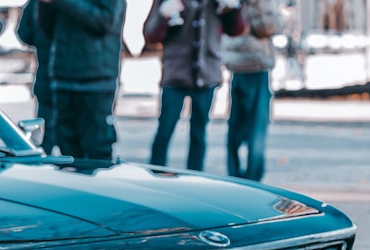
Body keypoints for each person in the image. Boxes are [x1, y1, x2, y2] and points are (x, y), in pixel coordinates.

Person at [144, 0, 244, 172]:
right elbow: (151, 35)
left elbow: (236, 30)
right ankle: (155, 177)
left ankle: (195, 178)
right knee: (164, 131)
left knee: (199, 136)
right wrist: (164, 14)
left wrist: (233, 8)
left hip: (206, 76)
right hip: (175, 76)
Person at [38, 0, 125, 161]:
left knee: (98, 151)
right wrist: (45, 5)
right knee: (67, 150)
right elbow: (46, 30)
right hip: (62, 79)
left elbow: (104, 22)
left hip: (96, 82)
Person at [223, 0, 280, 181]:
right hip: (256, 65)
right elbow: (267, 27)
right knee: (257, 129)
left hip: (235, 64)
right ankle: (253, 180)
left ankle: (234, 174)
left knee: (235, 127)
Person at [16, 0, 55, 154]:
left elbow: (24, 33)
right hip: (51, 76)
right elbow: (23, 33)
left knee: (46, 137)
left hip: (49, 75)